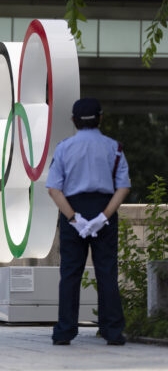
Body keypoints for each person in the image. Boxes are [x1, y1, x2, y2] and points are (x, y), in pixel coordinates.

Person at [46, 98, 130, 346]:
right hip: (105, 208)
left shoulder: (63, 148)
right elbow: (123, 186)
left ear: (74, 120)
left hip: (73, 209)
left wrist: (74, 218)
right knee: (107, 273)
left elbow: (53, 189)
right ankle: (112, 331)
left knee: (70, 274)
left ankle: (65, 331)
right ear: (100, 118)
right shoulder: (114, 148)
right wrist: (103, 217)